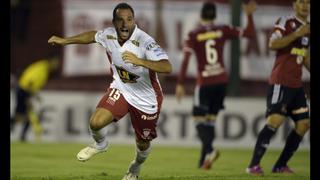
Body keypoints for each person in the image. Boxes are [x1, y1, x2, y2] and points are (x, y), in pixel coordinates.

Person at [48, 3, 172, 180]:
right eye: (120, 20)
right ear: (114, 22)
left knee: (143, 143)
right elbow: (92, 36)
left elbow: (167, 66)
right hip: (121, 89)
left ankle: (135, 167)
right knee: (96, 123)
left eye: (129, 19)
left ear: (134, 21)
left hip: (146, 98)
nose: (124, 24)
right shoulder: (109, 35)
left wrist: (141, 61)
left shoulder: (145, 42)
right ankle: (100, 144)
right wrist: (64, 40)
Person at [175, 1, 257, 170]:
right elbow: (249, 33)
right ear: (215, 16)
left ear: (201, 15)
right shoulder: (223, 29)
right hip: (221, 82)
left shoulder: (193, 34)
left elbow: (185, 60)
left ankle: (210, 150)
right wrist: (249, 14)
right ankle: (203, 160)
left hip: (205, 82)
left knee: (198, 119)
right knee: (210, 122)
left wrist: (181, 83)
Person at [246, 0, 310, 176]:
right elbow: (273, 44)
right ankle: (253, 165)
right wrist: (297, 33)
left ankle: (280, 165)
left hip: (296, 85)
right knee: (275, 120)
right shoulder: (285, 22)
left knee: (304, 124)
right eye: (301, 2)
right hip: (281, 82)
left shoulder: (308, 29)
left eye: (308, 2)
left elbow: (303, 57)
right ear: (294, 4)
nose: (305, 6)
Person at [11, 54, 59, 142]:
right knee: (24, 115)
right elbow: (30, 81)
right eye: (56, 62)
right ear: (51, 61)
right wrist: (28, 96)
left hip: (24, 90)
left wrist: (35, 95)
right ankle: (22, 137)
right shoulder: (42, 68)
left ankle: (22, 137)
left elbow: (34, 82)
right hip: (24, 91)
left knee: (23, 116)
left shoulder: (44, 68)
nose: (57, 65)